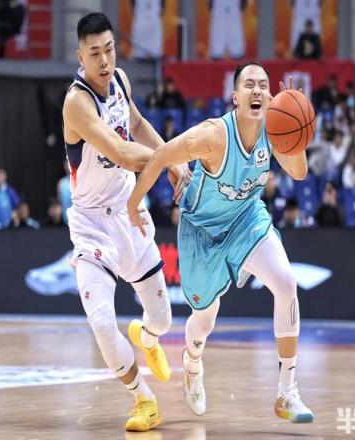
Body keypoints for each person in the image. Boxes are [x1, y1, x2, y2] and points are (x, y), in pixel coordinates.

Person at [128, 63, 314, 423]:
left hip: (246, 219)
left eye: (264, 85)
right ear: (235, 97)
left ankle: (287, 392)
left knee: (286, 282)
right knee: (204, 319)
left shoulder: (274, 130)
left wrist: (295, 119)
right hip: (202, 231)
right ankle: (193, 363)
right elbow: (161, 155)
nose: (257, 90)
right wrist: (132, 204)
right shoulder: (213, 135)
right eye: (249, 84)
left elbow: (299, 171)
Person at [62, 12, 189, 432]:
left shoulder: (120, 80)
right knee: (101, 322)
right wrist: (170, 159)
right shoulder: (77, 103)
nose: (104, 60)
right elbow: (119, 151)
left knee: (163, 320)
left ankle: (147, 338)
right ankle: (144, 399)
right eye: (94, 53)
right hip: (91, 224)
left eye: (109, 49)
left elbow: (134, 123)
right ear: (80, 56)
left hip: (128, 211)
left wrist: (167, 150)